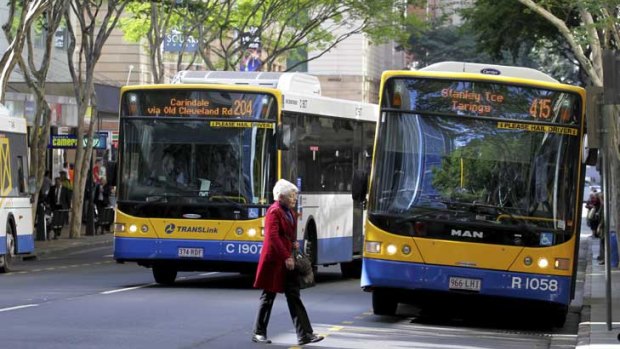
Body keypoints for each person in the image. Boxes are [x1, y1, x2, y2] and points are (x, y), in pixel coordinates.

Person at [251, 179, 324, 346]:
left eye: (295, 195)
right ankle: (258, 332)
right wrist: (286, 256)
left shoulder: (289, 211)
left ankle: (305, 334)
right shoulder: (273, 211)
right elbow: (273, 237)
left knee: (293, 295)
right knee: (268, 296)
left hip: (286, 260)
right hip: (275, 261)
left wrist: (293, 243)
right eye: (292, 196)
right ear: (281, 196)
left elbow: (287, 235)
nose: (294, 198)